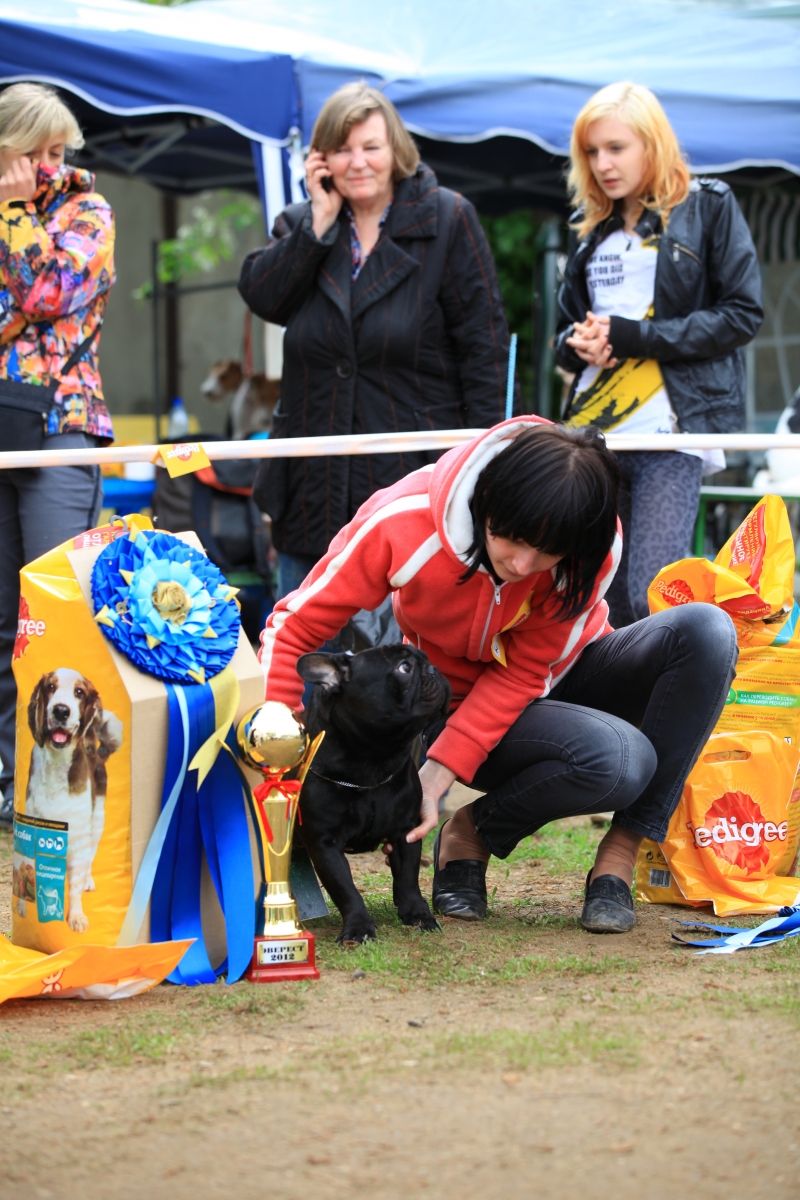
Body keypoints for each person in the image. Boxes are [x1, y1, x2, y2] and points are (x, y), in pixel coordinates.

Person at [260, 416, 738, 934]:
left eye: (549, 551)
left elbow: (529, 669)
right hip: (456, 701)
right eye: (509, 537)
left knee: (708, 630)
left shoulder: (594, 542)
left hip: (567, 671)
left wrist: (433, 777)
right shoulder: (404, 520)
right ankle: (472, 832)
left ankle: (620, 854)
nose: (523, 562)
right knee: (622, 762)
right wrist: (282, 754)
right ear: (486, 500)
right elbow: (295, 626)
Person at [239, 82, 510, 600]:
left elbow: (485, 350)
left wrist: (486, 465)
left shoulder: (448, 218)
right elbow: (263, 299)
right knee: (304, 646)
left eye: (371, 147)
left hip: (413, 478)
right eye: (342, 149)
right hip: (310, 483)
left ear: (396, 152)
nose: (357, 162)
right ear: (321, 159)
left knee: (403, 658)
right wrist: (315, 229)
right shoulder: (302, 223)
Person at [555, 81, 762, 628]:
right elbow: (567, 330)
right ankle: (610, 712)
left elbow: (743, 313)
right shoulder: (591, 229)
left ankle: (667, 713)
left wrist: (635, 337)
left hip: (671, 428)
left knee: (657, 592)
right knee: (596, 598)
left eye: (616, 148)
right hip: (592, 432)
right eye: (592, 152)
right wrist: (575, 344)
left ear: (653, 144)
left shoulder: (708, 205)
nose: (602, 164)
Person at [0, 83, 115, 825]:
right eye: (33, 154)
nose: (48, 167)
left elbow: (47, 290)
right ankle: (14, 779)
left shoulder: (88, 213)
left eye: (56, 153)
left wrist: (13, 217)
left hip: (61, 431)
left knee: (51, 618)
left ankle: (66, 785)